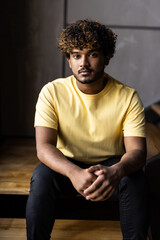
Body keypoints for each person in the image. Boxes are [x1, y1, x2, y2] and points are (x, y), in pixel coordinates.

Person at [26, 19, 149, 240]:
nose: (84, 62)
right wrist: (74, 172)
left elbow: (137, 152)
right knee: (41, 177)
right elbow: (43, 147)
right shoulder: (51, 92)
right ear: (69, 60)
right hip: (66, 165)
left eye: (92, 54)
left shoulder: (127, 96)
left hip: (110, 168)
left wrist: (117, 171)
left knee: (135, 179)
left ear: (106, 57)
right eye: (76, 55)